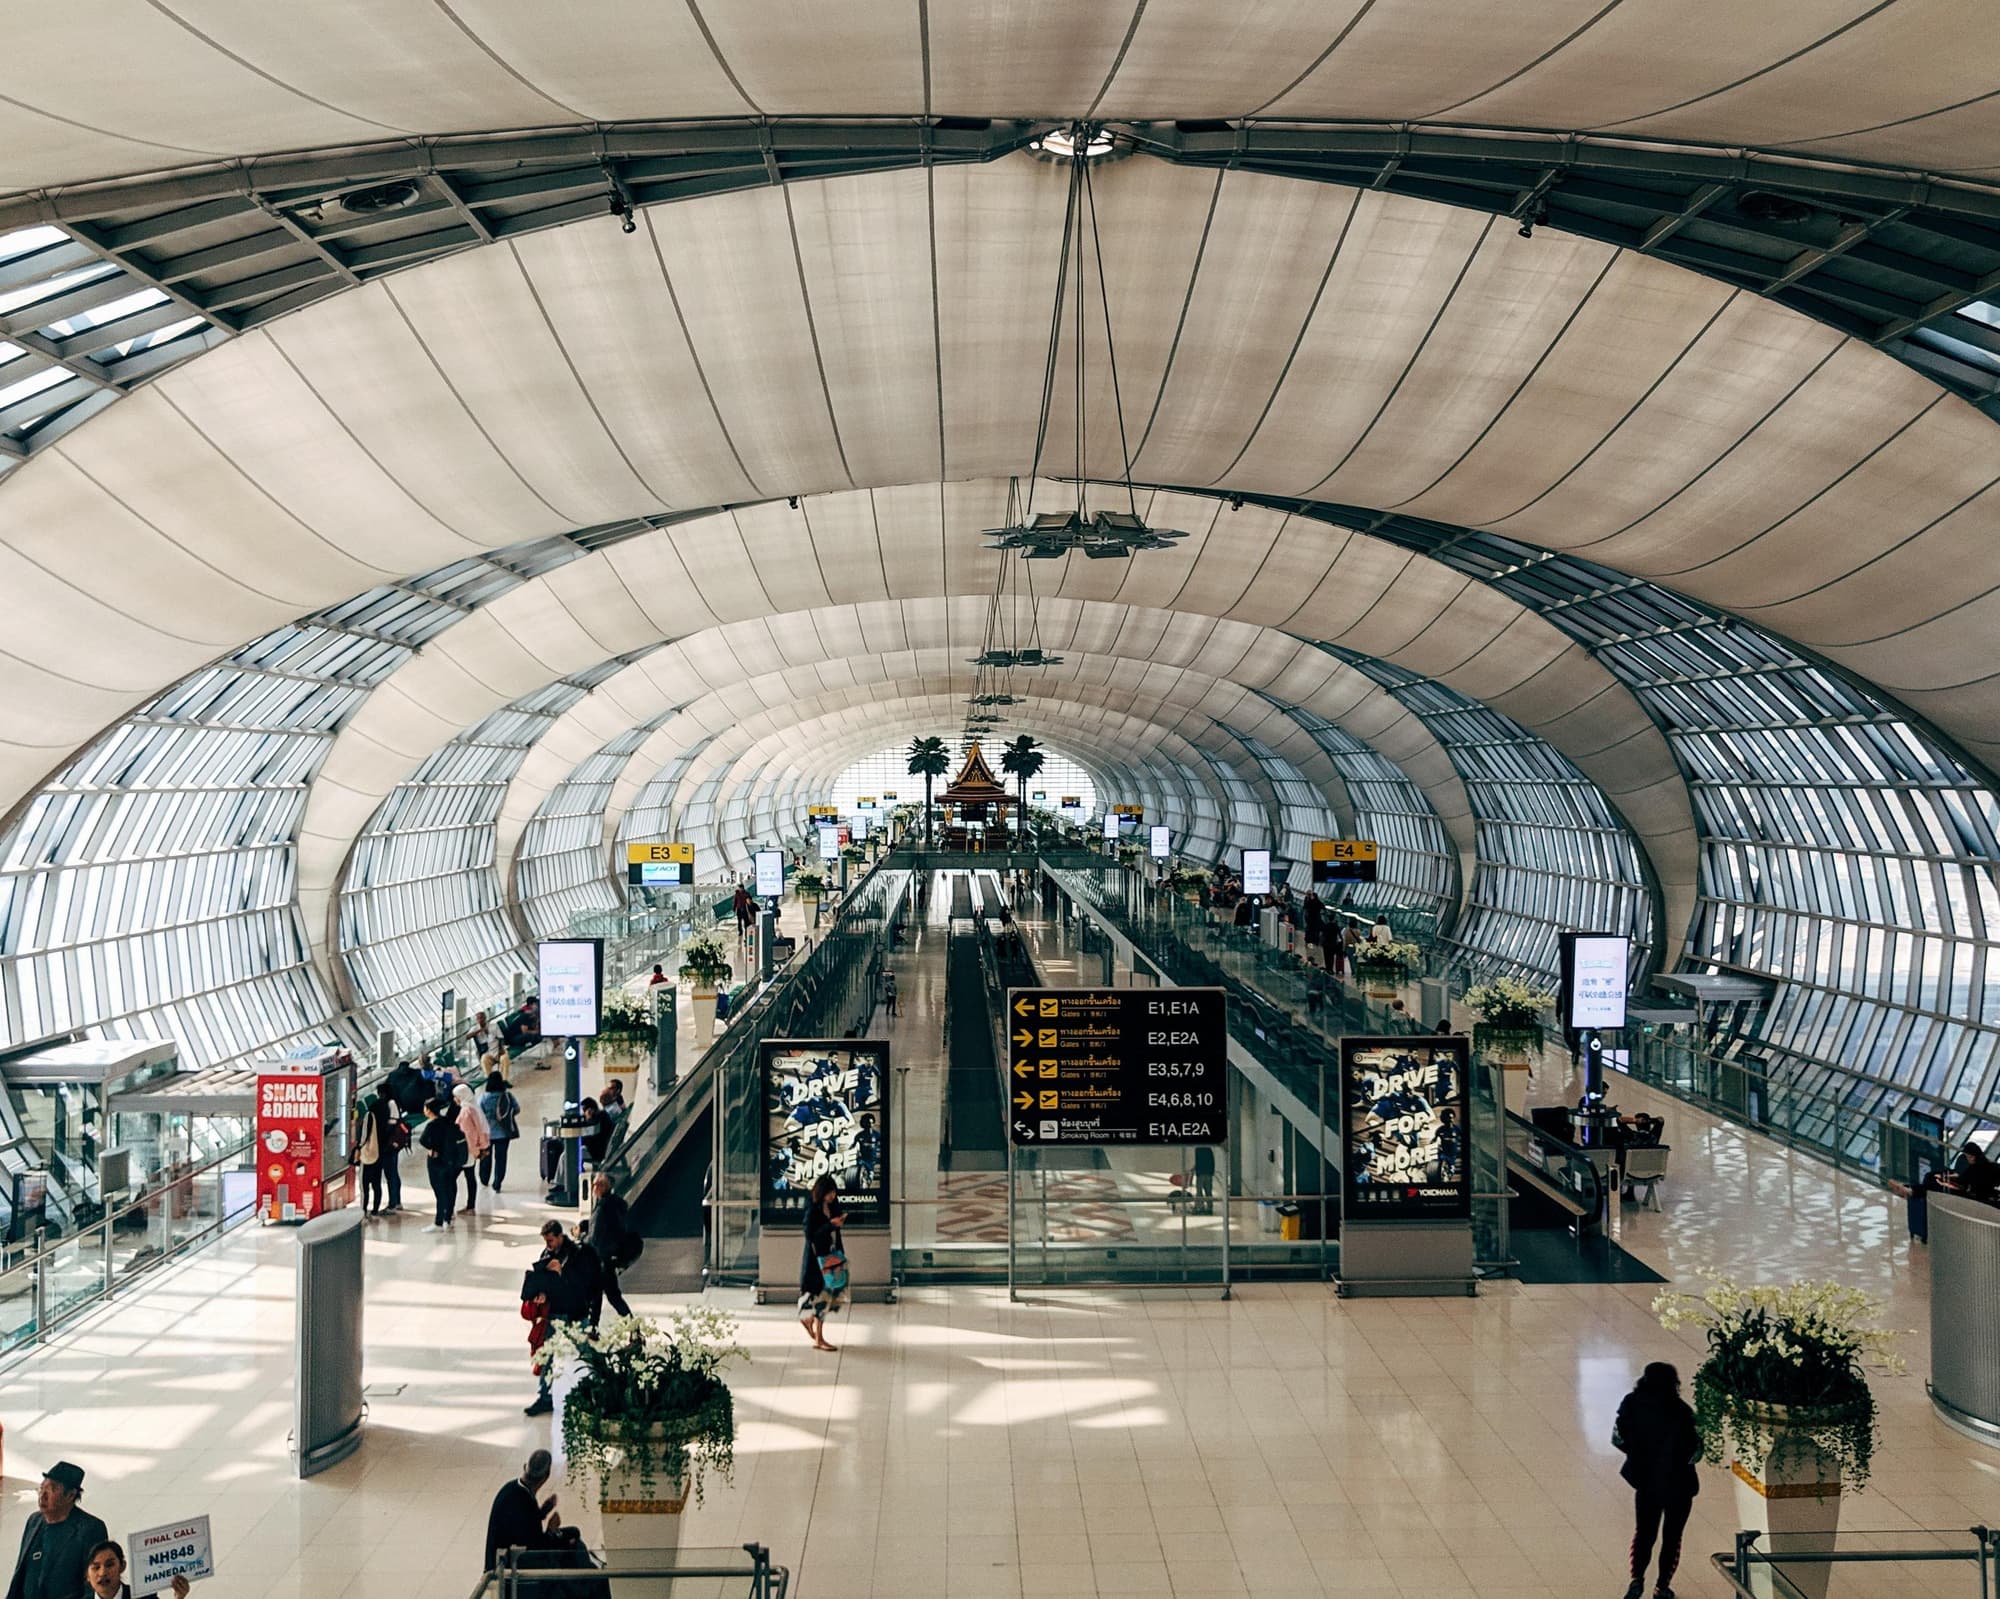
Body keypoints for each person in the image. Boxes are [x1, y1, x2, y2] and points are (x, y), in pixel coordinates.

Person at [1613, 1361, 1701, 1599]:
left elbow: (1618, 1439)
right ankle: (1662, 1587)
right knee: (1672, 1537)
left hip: (1647, 1482)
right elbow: (1696, 1452)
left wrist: (1636, 1455)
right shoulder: (1682, 1412)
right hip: (1679, 1485)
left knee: (1644, 1532)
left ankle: (1636, 1579)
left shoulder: (1631, 1404)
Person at [524, 1221, 596, 1415]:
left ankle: (600, 1387)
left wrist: (562, 1272)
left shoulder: (577, 1254)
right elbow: (545, 1282)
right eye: (546, 1241)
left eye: (550, 1240)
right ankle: (545, 1396)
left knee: (585, 1352)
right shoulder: (546, 1255)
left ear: (559, 1236)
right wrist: (541, 1293)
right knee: (547, 1356)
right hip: (554, 1313)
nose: (548, 1244)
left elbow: (584, 1282)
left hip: (575, 1312)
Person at [6, 1461, 108, 1599]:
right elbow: (21, 1573)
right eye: (42, 1488)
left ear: (70, 1495)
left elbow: (93, 1586)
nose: (43, 1495)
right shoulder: (34, 1521)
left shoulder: (90, 1529)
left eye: (52, 1489)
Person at [483, 1449, 567, 1574]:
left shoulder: (510, 1489)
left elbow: (521, 1526)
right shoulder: (525, 1503)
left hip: (497, 1565)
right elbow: (536, 1549)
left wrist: (542, 1512)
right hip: (512, 1573)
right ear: (546, 1477)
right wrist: (551, 1530)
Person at [798, 1175, 845, 1353]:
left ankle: (811, 1323)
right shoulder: (812, 1208)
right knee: (821, 1297)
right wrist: (830, 1225)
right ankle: (819, 1338)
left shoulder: (833, 1206)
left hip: (832, 1256)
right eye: (830, 1193)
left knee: (829, 1295)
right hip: (817, 1260)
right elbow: (810, 1234)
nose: (833, 1196)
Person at [585, 1172, 637, 1323]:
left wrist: (583, 1243)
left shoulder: (603, 1208)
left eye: (596, 1184)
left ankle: (631, 1325)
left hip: (602, 1258)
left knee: (605, 1295)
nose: (593, 1187)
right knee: (601, 1295)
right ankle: (630, 1325)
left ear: (602, 1187)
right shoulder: (613, 1204)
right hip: (608, 1257)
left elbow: (596, 1235)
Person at [418, 1096, 465, 1231]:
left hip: (436, 1161)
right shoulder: (448, 1121)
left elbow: (423, 1141)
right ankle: (447, 1218)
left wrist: (433, 1148)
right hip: (451, 1160)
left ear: (428, 1110)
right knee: (450, 1188)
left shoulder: (431, 1125)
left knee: (440, 1191)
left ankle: (439, 1221)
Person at [81, 1541, 190, 1599]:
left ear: (122, 1566)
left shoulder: (145, 1598)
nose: (103, 1573)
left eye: (109, 1565)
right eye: (96, 1567)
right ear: (87, 1575)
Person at [479, 1070, 521, 1192]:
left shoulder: (484, 1097)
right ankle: (497, 1183)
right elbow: (517, 1109)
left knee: (486, 1157)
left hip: (487, 1133)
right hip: (504, 1133)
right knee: (501, 1159)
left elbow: (478, 1113)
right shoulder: (507, 1096)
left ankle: (484, 1178)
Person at [454, 1083, 492, 1215]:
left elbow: (468, 1134)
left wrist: (474, 1151)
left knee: (453, 1177)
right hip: (473, 1150)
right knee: (470, 1176)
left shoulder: (466, 1112)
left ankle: (453, 1208)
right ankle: (470, 1206)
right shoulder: (473, 1107)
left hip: (467, 1151)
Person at [355, 1093, 385, 1216]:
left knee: (364, 1185)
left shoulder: (369, 1116)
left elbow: (364, 1136)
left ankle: (363, 1210)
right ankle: (375, 1209)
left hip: (368, 1155)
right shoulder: (384, 1114)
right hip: (380, 1153)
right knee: (376, 1184)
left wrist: (358, 1147)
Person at [1191, 1143, 1216, 1215]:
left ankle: (1200, 1207)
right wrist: (1212, 1172)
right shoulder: (1208, 1149)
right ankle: (1209, 1208)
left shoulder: (1198, 1150)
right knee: (1208, 1192)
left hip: (1201, 1174)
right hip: (1208, 1174)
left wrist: (1194, 1170)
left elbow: (1198, 1162)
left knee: (1199, 1191)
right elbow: (1212, 1161)